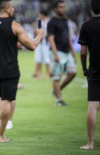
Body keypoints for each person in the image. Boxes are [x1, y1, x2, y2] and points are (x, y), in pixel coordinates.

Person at [0, 0, 43, 142]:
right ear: (7, 8)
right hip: (10, 69)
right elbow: (32, 46)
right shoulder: (15, 25)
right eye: (12, 6)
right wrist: (39, 34)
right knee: (8, 100)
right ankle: (2, 136)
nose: (13, 9)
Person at [78, 0, 100, 150]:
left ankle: (90, 143)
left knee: (93, 105)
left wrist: (84, 68)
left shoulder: (86, 26)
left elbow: (83, 52)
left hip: (95, 70)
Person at [47, 0, 77, 106]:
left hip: (66, 51)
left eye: (63, 7)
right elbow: (50, 38)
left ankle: (56, 91)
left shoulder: (65, 21)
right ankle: (58, 100)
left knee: (73, 73)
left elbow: (68, 37)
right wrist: (55, 54)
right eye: (60, 7)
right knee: (56, 76)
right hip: (57, 52)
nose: (63, 9)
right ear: (55, 8)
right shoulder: (51, 22)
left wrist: (73, 51)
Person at [33, 10, 51, 79]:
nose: (39, 16)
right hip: (39, 42)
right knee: (38, 58)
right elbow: (37, 31)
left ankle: (49, 73)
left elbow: (50, 33)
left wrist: (43, 35)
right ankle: (38, 73)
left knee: (46, 58)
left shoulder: (49, 22)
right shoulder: (40, 21)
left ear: (43, 14)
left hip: (46, 43)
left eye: (40, 14)